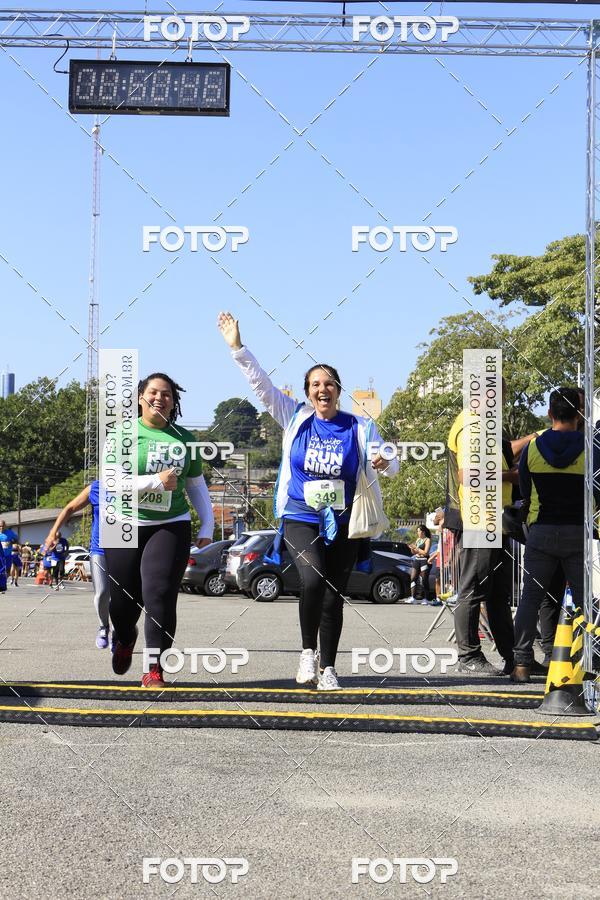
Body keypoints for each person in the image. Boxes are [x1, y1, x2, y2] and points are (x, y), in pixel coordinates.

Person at [218, 311, 398, 691]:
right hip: (301, 514)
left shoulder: (359, 427)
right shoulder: (295, 417)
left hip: (346, 519)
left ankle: (329, 666)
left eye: (329, 383)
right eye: (315, 384)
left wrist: (386, 460)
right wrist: (238, 348)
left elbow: (389, 458)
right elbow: (263, 387)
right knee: (312, 578)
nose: (322, 389)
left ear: (338, 389)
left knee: (334, 593)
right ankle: (306, 652)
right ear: (307, 391)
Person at [103, 372, 214, 687]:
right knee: (122, 603)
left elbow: (194, 484)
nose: (160, 398)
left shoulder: (184, 438)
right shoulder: (122, 434)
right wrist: (155, 481)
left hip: (170, 523)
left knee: (160, 594)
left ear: (174, 401)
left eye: (167, 394)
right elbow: (113, 483)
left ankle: (154, 669)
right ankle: (124, 637)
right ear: (140, 397)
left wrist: (208, 522)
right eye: (153, 392)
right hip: (122, 523)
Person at [445, 379, 537, 675]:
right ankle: (469, 655)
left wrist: (535, 437)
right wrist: (515, 477)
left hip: (493, 519)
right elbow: (468, 474)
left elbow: (506, 450)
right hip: (478, 518)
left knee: (497, 594)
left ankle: (515, 657)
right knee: (473, 589)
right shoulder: (472, 425)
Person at [511, 387, 588, 682]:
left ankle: (521, 665)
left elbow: (526, 492)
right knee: (584, 601)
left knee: (530, 599)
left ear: (550, 413)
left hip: (541, 531)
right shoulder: (591, 447)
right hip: (577, 533)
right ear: (578, 414)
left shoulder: (533, 448)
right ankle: (586, 661)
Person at [44, 481, 111, 649]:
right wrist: (52, 533)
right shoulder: (97, 487)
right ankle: (104, 627)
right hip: (99, 549)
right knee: (102, 593)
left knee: (121, 597)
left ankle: (121, 633)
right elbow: (69, 509)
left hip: (125, 548)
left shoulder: (136, 484)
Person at [408, 524, 432, 603]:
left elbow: (425, 552)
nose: (418, 533)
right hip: (417, 559)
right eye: (417, 531)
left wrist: (416, 548)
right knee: (413, 578)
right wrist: (412, 549)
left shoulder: (427, 540)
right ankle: (413, 597)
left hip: (424, 560)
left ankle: (426, 598)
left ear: (423, 532)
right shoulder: (418, 540)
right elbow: (414, 552)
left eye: (419, 531)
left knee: (424, 579)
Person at [0, 520, 18, 593]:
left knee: (7, 571)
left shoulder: (10, 533)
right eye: (0, 526)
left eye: (2, 526)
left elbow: (16, 540)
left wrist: (11, 542)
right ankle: (1, 585)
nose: (1, 527)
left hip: (7, 555)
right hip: (0, 555)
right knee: (1, 570)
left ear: (5, 526)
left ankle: (3, 582)